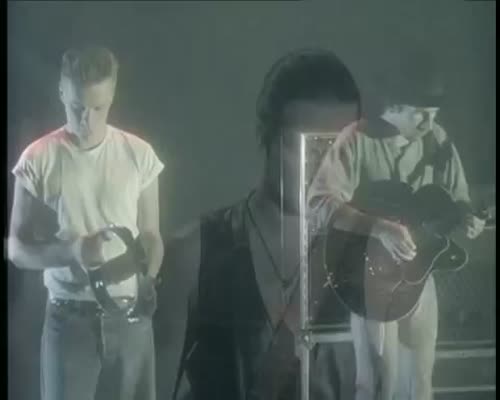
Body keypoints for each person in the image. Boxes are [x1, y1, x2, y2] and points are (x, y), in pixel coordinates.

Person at [157, 49, 362, 400]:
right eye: (304, 146)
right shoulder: (194, 254)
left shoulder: (372, 260)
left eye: (340, 148)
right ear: (265, 136)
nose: (322, 168)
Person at [307, 54, 486, 400]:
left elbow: (458, 199)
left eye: (434, 114)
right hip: (368, 276)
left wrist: (468, 218)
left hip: (420, 273)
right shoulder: (356, 138)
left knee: (420, 383)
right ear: (395, 106)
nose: (429, 122)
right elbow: (317, 203)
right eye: (421, 113)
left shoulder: (437, 139)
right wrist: (379, 228)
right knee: (379, 383)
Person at [8, 45, 165, 400]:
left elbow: (151, 234)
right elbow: (16, 249)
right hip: (70, 321)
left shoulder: (139, 154)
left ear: (112, 95)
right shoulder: (38, 158)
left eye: (98, 108)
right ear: (62, 92)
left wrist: (148, 277)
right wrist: (73, 251)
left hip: (131, 319)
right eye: (78, 107)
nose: (87, 120)